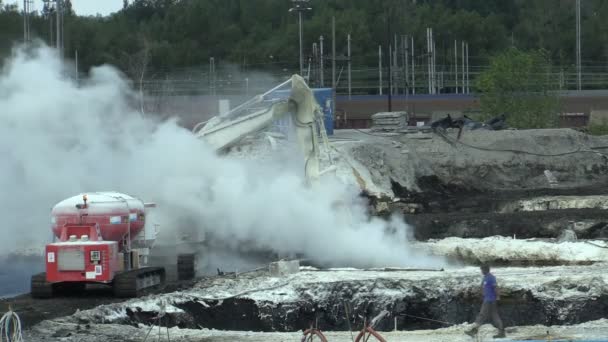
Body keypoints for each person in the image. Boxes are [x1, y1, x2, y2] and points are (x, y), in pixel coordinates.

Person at [465, 264, 506, 338]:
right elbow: (483, 287)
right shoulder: (485, 277)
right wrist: (480, 294)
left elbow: (496, 288)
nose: (481, 271)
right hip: (487, 299)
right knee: (494, 316)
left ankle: (474, 331)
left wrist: (498, 296)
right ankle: (501, 332)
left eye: (482, 270)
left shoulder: (491, 278)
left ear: (485, 270)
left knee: (482, 315)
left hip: (490, 300)